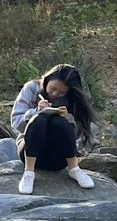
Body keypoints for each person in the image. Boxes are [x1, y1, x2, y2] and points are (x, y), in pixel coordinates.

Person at [11, 63, 97, 195]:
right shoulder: (31, 89)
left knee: (58, 121)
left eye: (61, 92)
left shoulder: (72, 99)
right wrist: (34, 112)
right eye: (53, 88)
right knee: (39, 119)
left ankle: (74, 169)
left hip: (60, 157)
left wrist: (68, 118)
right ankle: (29, 173)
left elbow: (80, 135)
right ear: (47, 80)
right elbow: (16, 123)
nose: (55, 94)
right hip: (29, 151)